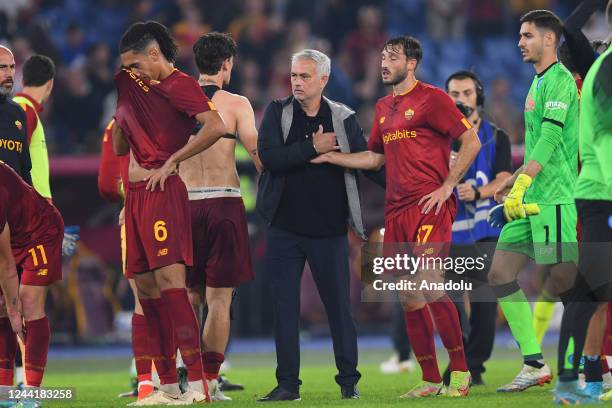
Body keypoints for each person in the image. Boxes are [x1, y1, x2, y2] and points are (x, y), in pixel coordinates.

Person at [312, 36, 480, 398]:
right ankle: (431, 379)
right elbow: (375, 158)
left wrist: (449, 184)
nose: (383, 63)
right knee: (409, 296)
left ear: (412, 62)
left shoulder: (434, 99)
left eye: (392, 57)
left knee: (430, 282)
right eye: (381, 57)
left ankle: (462, 373)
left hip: (430, 206)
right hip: (398, 210)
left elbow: (471, 142)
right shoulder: (384, 106)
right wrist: (334, 157)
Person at [256, 48, 385, 402]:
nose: (296, 82)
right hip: (284, 229)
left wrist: (407, 188)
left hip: (329, 231)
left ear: (323, 80)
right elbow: (269, 158)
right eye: (294, 75)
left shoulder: (343, 117)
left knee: (339, 309)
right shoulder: (277, 112)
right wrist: (311, 147)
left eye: (304, 76)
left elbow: (366, 162)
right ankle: (287, 386)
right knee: (284, 309)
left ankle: (348, 382)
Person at [112, 20, 225, 405]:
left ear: (154, 55)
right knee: (146, 293)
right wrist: (124, 108)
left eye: (135, 66)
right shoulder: (137, 91)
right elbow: (117, 148)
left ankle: (198, 385)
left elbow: (215, 126)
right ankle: (167, 387)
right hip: (135, 198)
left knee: (173, 289)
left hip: (163, 195)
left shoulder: (182, 86)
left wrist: (174, 160)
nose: (132, 73)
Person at [488, 10, 579, 393]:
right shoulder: (537, 84)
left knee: (567, 286)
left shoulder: (559, 81)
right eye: (520, 36)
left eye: (527, 35)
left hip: (555, 200)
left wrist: (523, 179)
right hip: (531, 200)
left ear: (549, 39)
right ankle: (534, 364)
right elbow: (536, 147)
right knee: (499, 274)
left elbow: (551, 141)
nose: (520, 42)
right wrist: (513, 181)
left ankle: (598, 364)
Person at [179, 32, 260, 401]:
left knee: (186, 298)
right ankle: (209, 382)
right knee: (219, 300)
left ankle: (188, 379)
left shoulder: (174, 100)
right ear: (227, 64)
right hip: (224, 203)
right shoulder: (237, 103)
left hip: (182, 205)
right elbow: (258, 157)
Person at [558, 1, 612, 403]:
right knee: (589, 289)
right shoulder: (605, 65)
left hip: (594, 191)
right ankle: (570, 379)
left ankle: (590, 374)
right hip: (599, 192)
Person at [445, 70, 513, 386]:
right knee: (451, 304)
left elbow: (503, 178)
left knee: (485, 303)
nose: (460, 100)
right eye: (454, 95)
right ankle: (462, 363)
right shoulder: (438, 138)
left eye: (467, 93)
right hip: (448, 230)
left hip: (485, 229)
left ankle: (473, 366)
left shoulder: (497, 136)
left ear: (478, 96)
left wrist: (478, 192)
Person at [98, 119, 156, 402]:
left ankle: (145, 382)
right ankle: (182, 378)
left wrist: (129, 197)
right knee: (180, 296)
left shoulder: (116, 124)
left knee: (142, 301)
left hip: (133, 214)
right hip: (171, 209)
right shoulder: (173, 111)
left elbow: (107, 185)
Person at [0, 162, 64, 407]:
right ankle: (4, 391)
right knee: (1, 307)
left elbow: (5, 266)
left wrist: (15, 311)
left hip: (40, 232)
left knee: (26, 305)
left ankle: (32, 393)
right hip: (12, 235)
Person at [13, 55, 55, 201]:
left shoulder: (21, 108)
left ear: (23, 81)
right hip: (33, 208)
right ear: (50, 84)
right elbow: (12, 158)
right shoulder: (25, 109)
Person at [0, 46, 31, 184]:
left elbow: (24, 169)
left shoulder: (18, 112)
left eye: (12, 67)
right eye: (3, 67)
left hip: (12, 203)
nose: (9, 73)